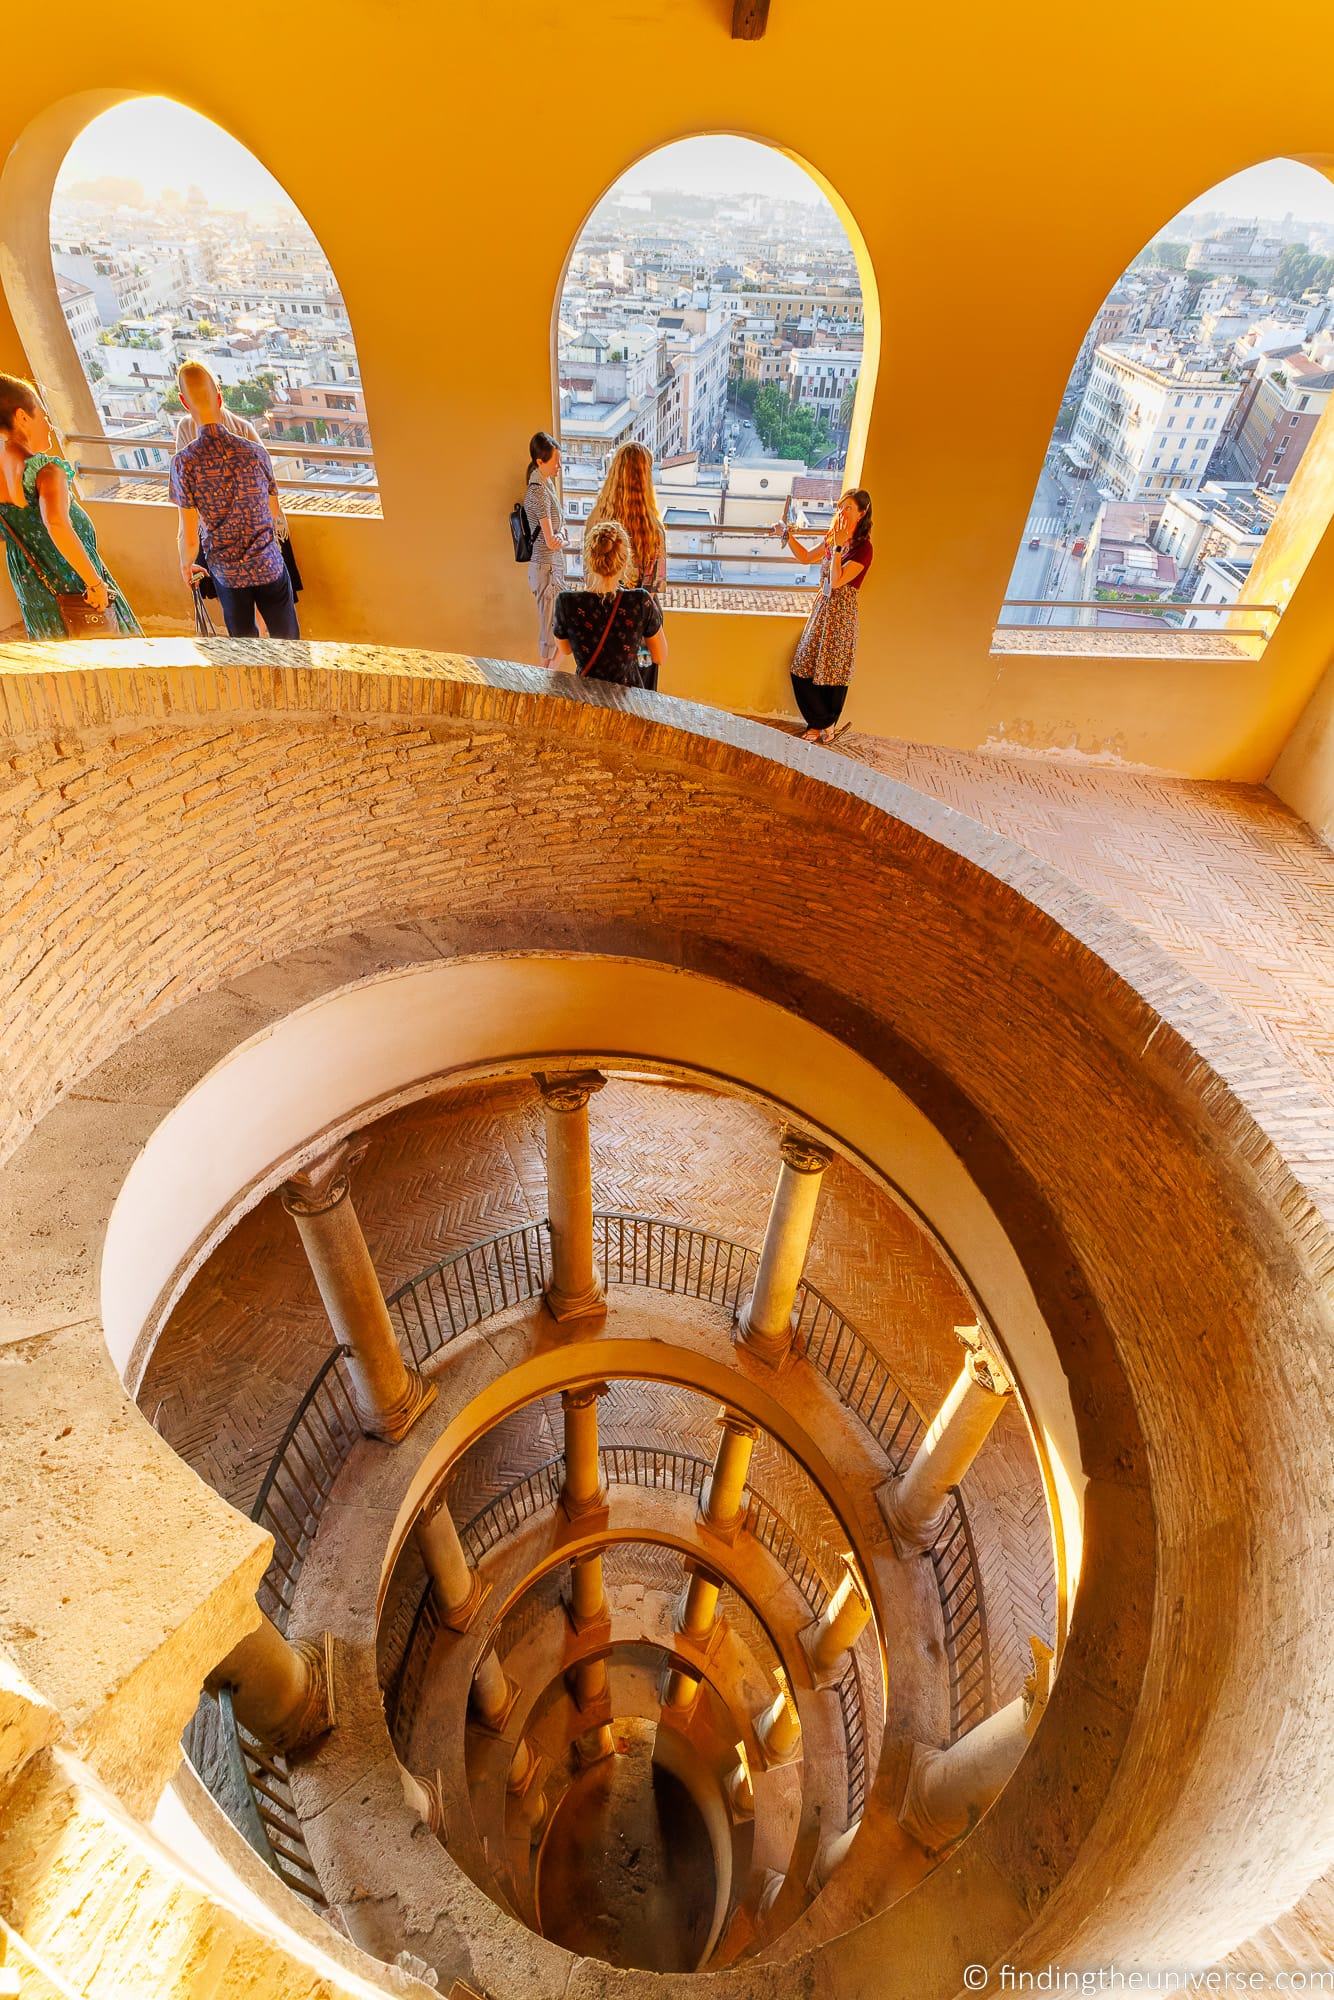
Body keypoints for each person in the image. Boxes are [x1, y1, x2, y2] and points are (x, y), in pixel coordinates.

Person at [0, 373, 139, 639]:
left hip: (32, 587)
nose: (50, 426)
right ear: (22, 417)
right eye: (44, 416)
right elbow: (56, 524)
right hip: (73, 583)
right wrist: (95, 584)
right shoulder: (47, 470)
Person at [170, 360, 299, 638]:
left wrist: (186, 564)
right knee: (290, 644)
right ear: (219, 397)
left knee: (244, 648)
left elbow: (190, 534)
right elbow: (274, 511)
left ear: (184, 402)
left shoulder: (184, 463)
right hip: (268, 563)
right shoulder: (254, 451)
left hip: (228, 572)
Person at [774, 489, 874, 743]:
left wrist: (839, 546)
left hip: (842, 614)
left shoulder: (864, 549)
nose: (842, 512)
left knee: (832, 671)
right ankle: (823, 723)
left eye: (848, 508)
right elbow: (807, 557)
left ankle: (820, 726)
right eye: (840, 507)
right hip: (823, 609)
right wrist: (786, 533)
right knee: (802, 666)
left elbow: (838, 581)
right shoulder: (833, 538)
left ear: (862, 514)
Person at [584, 438, 667, 689]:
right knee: (644, 704)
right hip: (640, 630)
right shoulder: (654, 530)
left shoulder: (596, 522)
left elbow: (589, 579)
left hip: (600, 624)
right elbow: (655, 589)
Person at [553, 519, 667, 688]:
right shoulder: (640, 602)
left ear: (589, 558)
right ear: (625, 559)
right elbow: (660, 656)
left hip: (589, 699)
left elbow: (565, 649)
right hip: (628, 701)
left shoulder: (567, 602)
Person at [523, 430, 569, 668]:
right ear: (540, 461)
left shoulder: (547, 485)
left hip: (552, 569)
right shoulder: (538, 492)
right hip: (546, 570)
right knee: (550, 634)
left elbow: (561, 529)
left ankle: (546, 679)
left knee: (562, 628)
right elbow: (552, 540)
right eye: (556, 461)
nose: (559, 466)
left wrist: (562, 535)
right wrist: (562, 537)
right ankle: (543, 683)